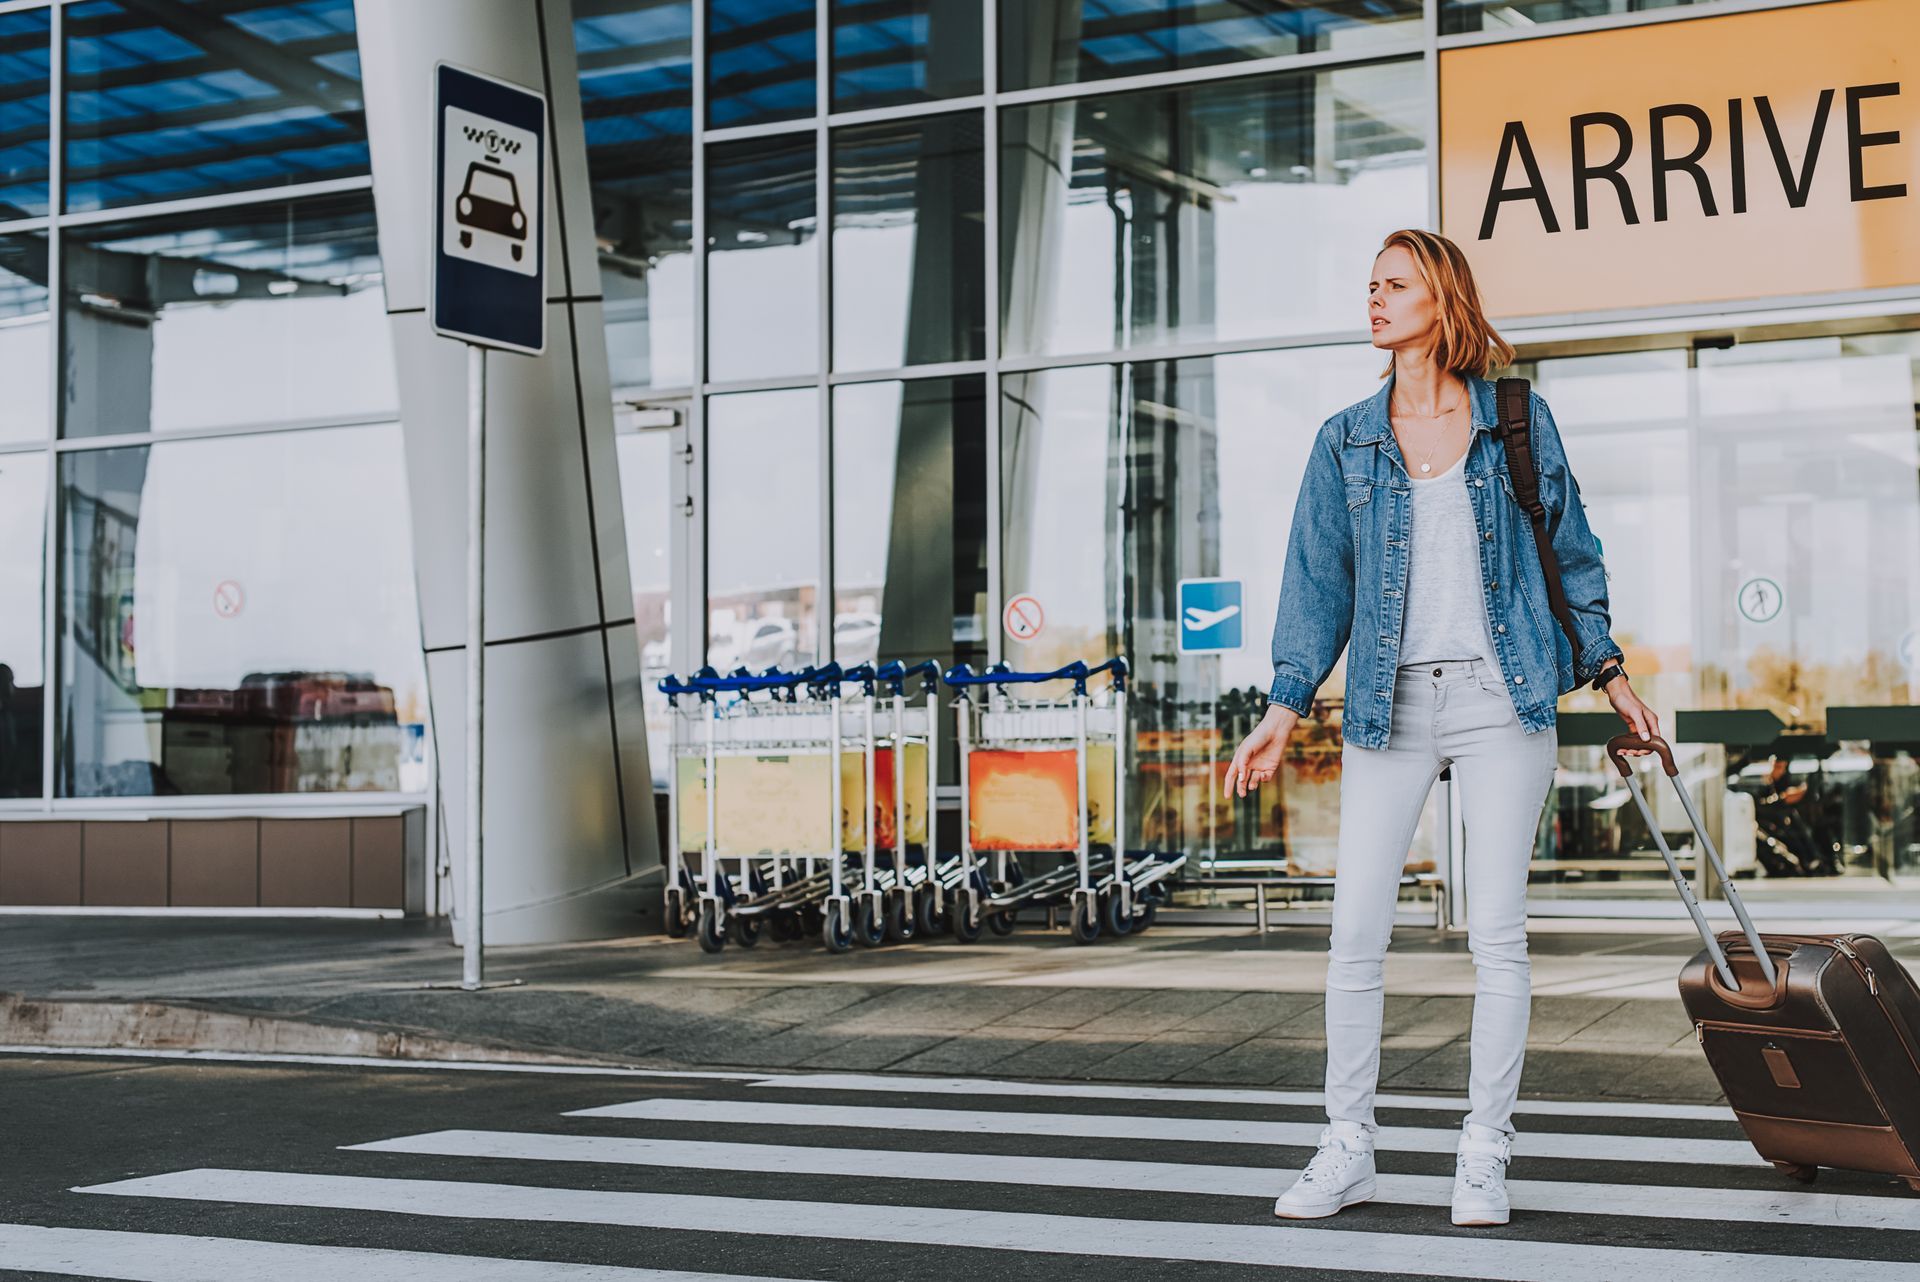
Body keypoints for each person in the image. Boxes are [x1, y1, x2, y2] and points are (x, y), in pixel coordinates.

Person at [1222, 229, 1660, 1228]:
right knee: (1355, 936)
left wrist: (1611, 672)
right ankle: (1347, 1148)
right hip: (1391, 706)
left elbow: (1573, 553)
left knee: (1497, 937)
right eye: (1369, 284)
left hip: (1503, 700)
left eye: (1395, 283)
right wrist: (1286, 704)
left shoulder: (1515, 417)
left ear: (1440, 296)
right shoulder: (1346, 439)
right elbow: (1316, 582)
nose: (1373, 299)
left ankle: (1483, 1151)